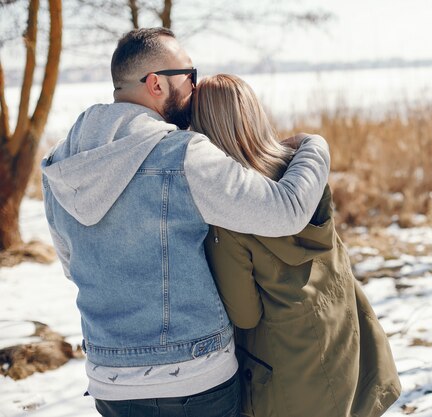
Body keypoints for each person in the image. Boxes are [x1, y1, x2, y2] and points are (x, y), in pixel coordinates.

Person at [41, 28, 330, 417]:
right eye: (189, 75)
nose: (195, 85)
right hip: (194, 379)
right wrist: (314, 146)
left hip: (110, 382)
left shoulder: (61, 164)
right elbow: (287, 209)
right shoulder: (184, 155)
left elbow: (71, 266)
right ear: (156, 83)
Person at [192, 74, 401, 417]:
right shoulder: (302, 175)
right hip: (341, 341)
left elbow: (244, 316)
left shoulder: (227, 210)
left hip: (288, 371)